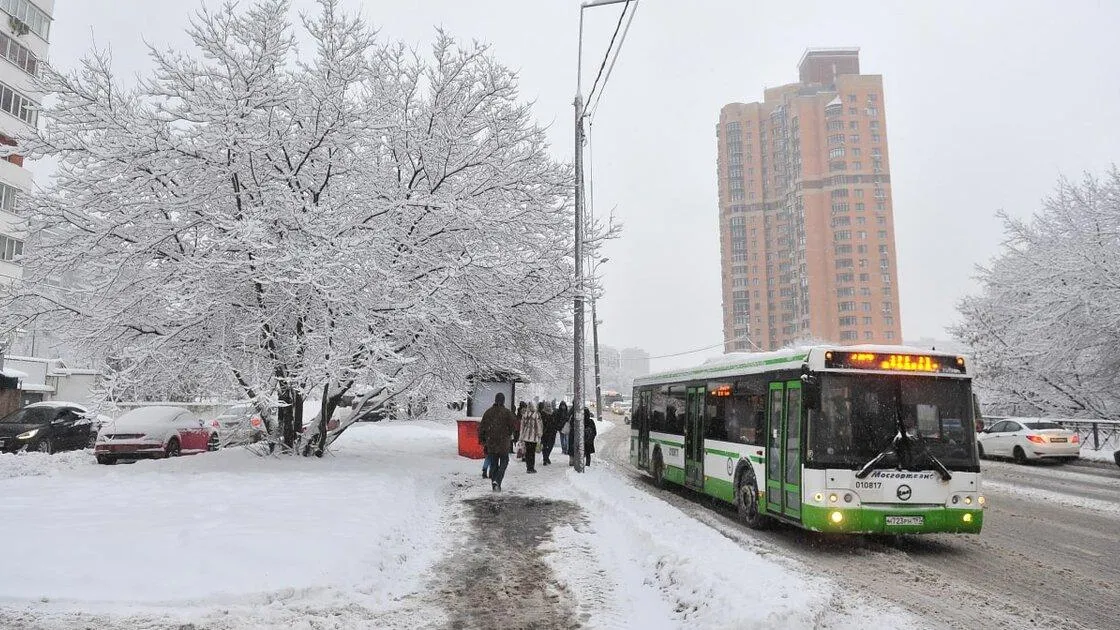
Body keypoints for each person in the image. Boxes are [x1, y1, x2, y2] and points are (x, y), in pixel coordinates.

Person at [479, 393, 516, 492]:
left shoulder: (488, 412)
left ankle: (494, 484)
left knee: (494, 464)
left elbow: (482, 427)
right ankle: (498, 481)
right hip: (503, 443)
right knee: (504, 462)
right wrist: (508, 434)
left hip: (491, 442)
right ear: (503, 401)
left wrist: (483, 440)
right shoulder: (507, 413)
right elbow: (513, 426)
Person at [520, 401, 543, 473]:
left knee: (527, 452)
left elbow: (522, 426)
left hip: (526, 436)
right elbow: (538, 426)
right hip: (533, 437)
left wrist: (521, 436)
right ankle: (531, 467)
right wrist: (539, 434)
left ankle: (528, 467)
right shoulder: (536, 415)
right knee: (532, 453)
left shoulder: (524, 415)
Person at [539, 402, 557, 466]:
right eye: (547, 406)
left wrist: (555, 428)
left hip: (552, 432)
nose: (548, 407)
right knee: (545, 446)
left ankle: (547, 457)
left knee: (550, 445)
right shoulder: (542, 413)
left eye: (549, 406)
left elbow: (555, 422)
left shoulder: (553, 413)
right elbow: (540, 423)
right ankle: (545, 459)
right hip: (545, 432)